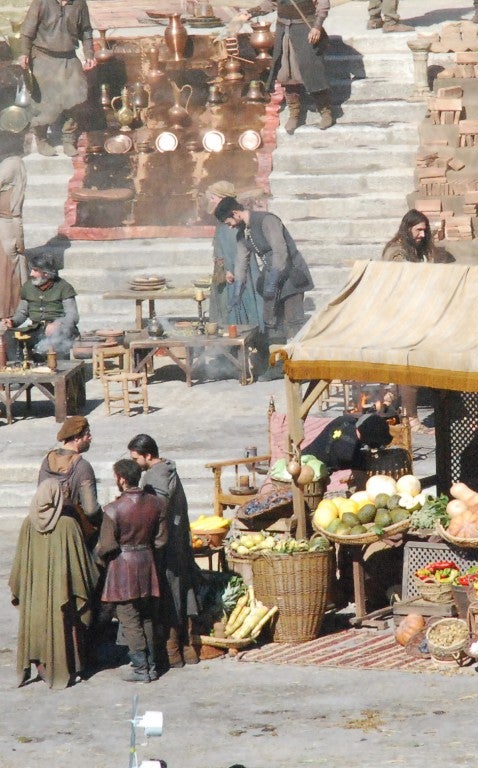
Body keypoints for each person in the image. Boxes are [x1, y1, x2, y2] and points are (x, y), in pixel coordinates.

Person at [9, 477, 99, 689]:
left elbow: (19, 566)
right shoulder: (68, 525)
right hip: (62, 593)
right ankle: (66, 667)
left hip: (34, 594)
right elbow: (84, 569)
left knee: (37, 627)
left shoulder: (27, 524)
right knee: (65, 629)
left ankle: (41, 667)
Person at [213, 196, 313, 379]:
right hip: (272, 278)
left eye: (229, 221)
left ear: (235, 213)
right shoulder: (243, 233)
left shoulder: (267, 220)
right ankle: (277, 367)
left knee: (294, 322)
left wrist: (273, 280)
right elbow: (241, 263)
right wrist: (237, 292)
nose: (229, 226)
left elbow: (280, 251)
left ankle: (304, 367)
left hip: (291, 276)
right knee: (271, 322)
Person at [128, 433, 201, 669]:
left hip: (166, 544)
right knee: (183, 588)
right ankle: (188, 648)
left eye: (136, 458)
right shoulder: (169, 469)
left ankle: (173, 651)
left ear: (148, 455)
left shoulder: (154, 476)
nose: (135, 464)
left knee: (169, 594)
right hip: (179, 540)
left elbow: (155, 510)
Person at [96, 459, 168, 683]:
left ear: (122, 479)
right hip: (147, 564)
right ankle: (153, 666)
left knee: (129, 618)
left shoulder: (112, 509)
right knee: (146, 616)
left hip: (122, 568)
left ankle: (141, 669)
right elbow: (161, 540)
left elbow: (107, 545)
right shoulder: (156, 504)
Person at [382, 210, 454, 434]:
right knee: (408, 369)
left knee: (408, 368)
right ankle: (410, 419)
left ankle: (390, 406)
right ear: (408, 228)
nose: (423, 234)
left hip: (417, 316)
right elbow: (405, 281)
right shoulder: (396, 252)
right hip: (399, 317)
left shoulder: (417, 250)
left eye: (425, 230)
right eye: (418, 230)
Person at [18, 0, 97, 156]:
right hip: (43, 57)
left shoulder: (79, 3)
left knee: (77, 97)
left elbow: (86, 31)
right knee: (44, 102)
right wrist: (24, 54)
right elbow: (27, 31)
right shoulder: (41, 2)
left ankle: (68, 138)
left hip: (68, 57)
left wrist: (89, 55)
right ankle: (41, 138)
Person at [242, 0, 333, 133]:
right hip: (284, 30)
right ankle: (294, 113)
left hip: (305, 29)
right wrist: (251, 12)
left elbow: (323, 4)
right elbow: (271, 3)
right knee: (286, 71)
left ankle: (325, 111)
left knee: (313, 70)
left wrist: (317, 26)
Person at [205, 181, 264, 332]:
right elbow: (220, 246)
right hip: (225, 269)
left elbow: (236, 249)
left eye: (213, 197)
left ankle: (247, 336)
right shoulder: (222, 218)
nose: (211, 201)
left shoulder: (234, 219)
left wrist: (229, 270)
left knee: (242, 300)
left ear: (222, 197)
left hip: (238, 269)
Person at [2, 251, 80, 358]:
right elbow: (22, 312)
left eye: (35, 270)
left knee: (58, 339)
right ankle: (17, 367)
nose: (31, 274)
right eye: (31, 270)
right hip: (36, 329)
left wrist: (57, 324)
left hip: (60, 330)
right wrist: (12, 321)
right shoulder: (28, 287)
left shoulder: (64, 287)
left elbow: (73, 316)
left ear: (46, 273)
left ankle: (59, 370)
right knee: (9, 336)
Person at [38, 415, 101, 545]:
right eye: (87, 434)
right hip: (72, 532)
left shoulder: (46, 461)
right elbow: (91, 509)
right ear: (77, 438)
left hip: (47, 529)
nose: (90, 438)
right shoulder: (82, 466)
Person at [0, 156, 26, 320]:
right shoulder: (13, 193)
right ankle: (7, 310)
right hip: (7, 233)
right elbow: (17, 219)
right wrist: (20, 244)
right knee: (7, 271)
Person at [303, 412, 393, 472]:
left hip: (305, 453)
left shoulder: (345, 419)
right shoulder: (348, 454)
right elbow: (367, 464)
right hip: (310, 469)